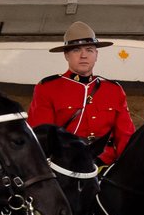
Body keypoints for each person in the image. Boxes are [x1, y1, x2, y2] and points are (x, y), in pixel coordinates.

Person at [28, 21, 134, 164]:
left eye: (89, 50)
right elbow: (41, 135)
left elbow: (126, 136)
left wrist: (127, 164)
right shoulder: (48, 88)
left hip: (105, 163)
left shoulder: (114, 90)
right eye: (76, 50)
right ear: (66, 55)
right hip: (66, 164)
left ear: (96, 55)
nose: (84, 55)